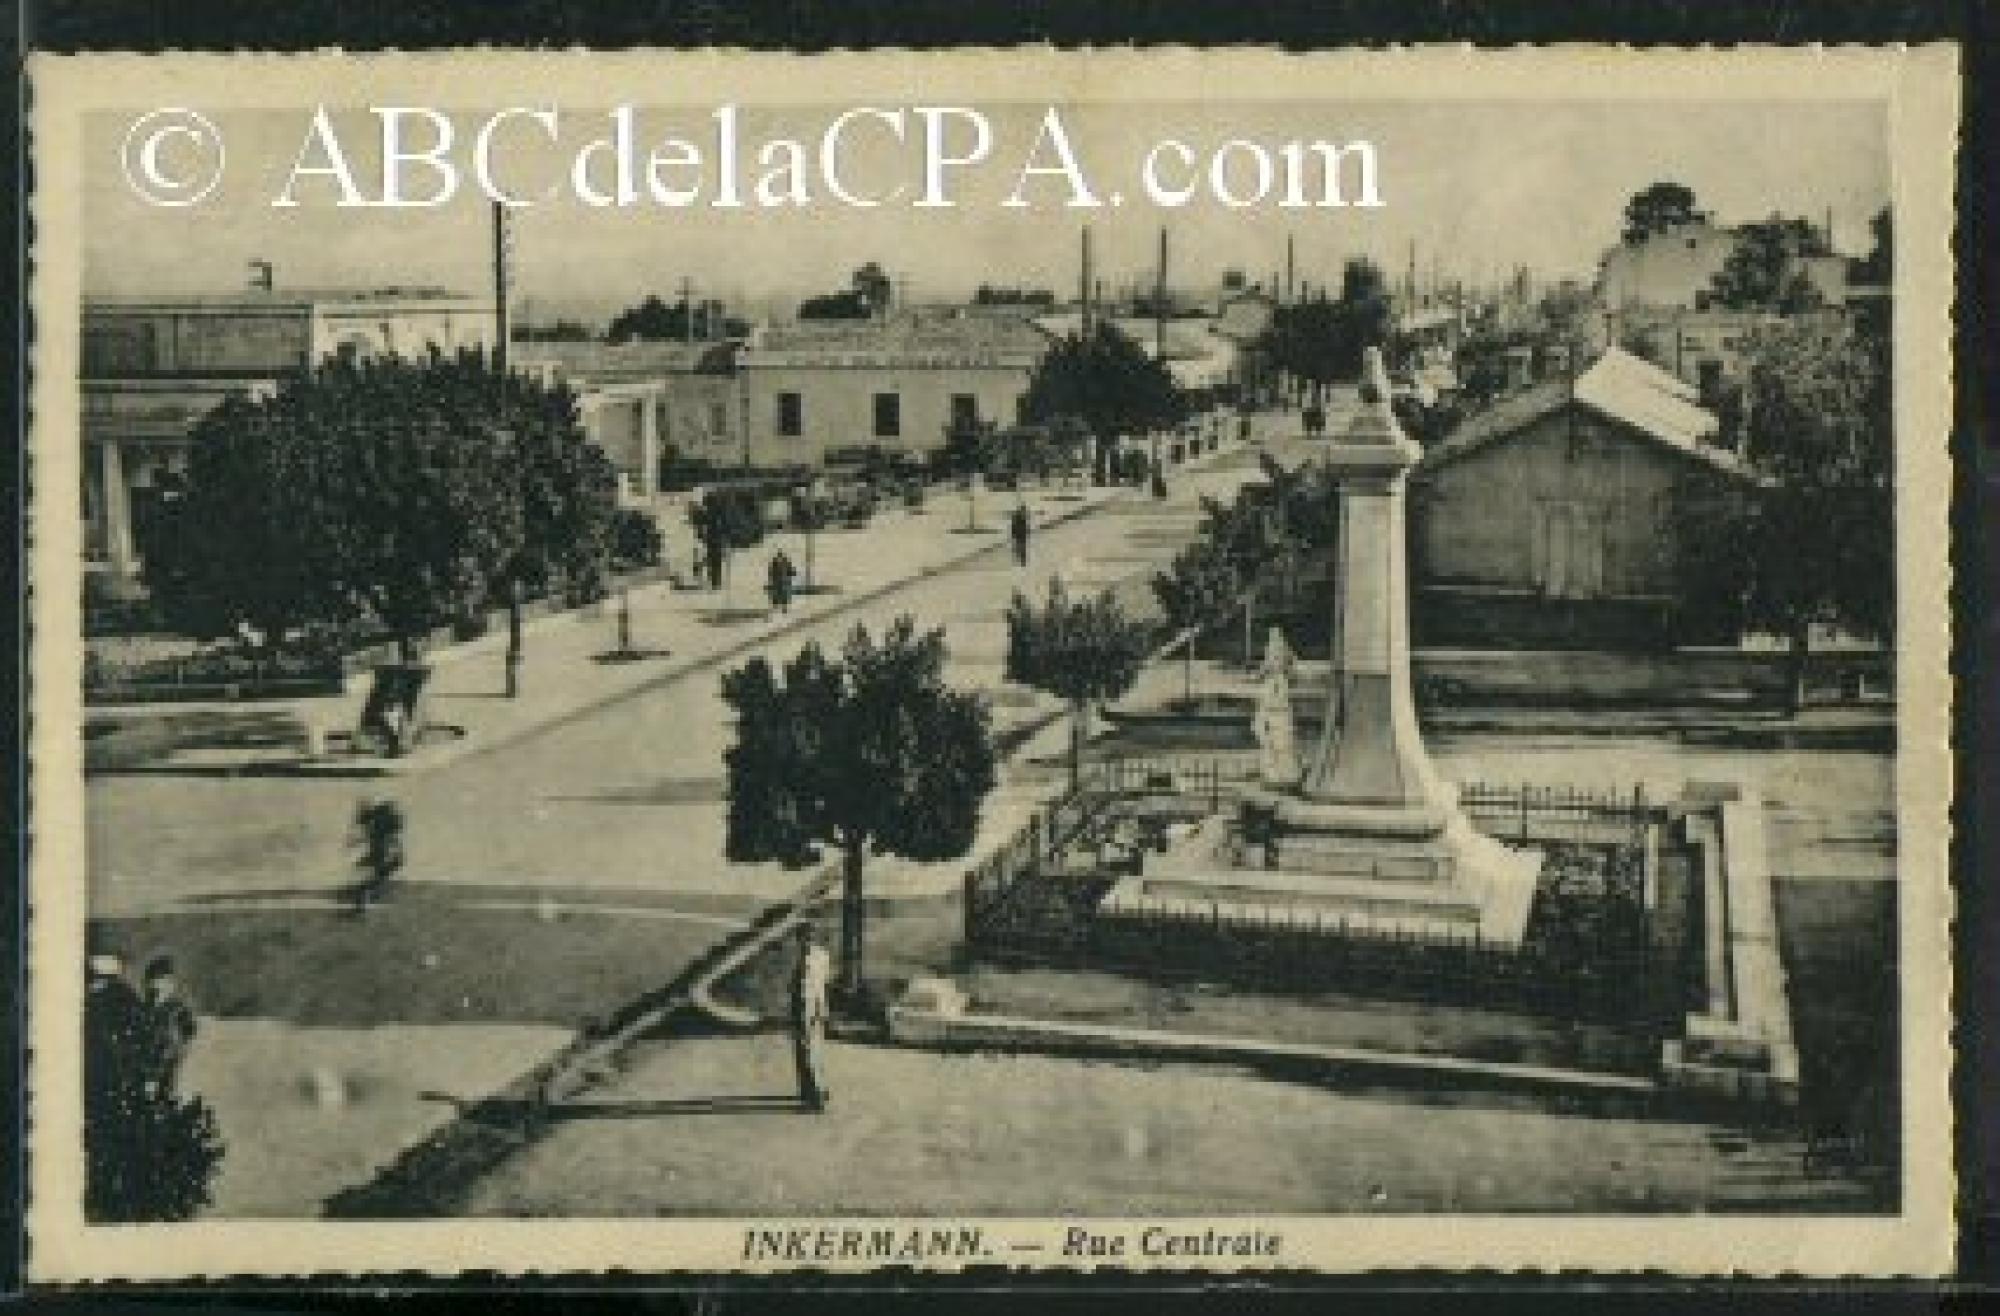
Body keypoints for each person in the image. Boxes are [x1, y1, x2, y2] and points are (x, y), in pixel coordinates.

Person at [789, 924, 833, 1112]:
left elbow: (810, 986)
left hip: (807, 1006)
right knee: (811, 1048)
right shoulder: (822, 956)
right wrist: (822, 1007)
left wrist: (817, 1008)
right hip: (811, 1005)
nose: (803, 942)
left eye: (805, 938)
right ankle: (813, 1089)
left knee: (807, 1049)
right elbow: (823, 984)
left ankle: (816, 1097)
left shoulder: (808, 959)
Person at [765, 548, 798, 615]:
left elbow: (791, 571)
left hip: (783, 581)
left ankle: (783, 607)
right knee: (777, 594)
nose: (779, 560)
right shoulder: (776, 564)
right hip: (778, 581)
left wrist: (791, 573)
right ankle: (776, 606)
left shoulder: (785, 563)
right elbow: (771, 572)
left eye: (780, 558)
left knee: (783, 595)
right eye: (778, 558)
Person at [1009, 503, 1031, 567]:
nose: (1024, 512)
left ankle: (1022, 559)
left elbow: (1026, 526)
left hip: (1022, 534)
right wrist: (1013, 533)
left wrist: (1027, 532)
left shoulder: (1023, 517)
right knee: (1019, 546)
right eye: (1023, 510)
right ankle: (1021, 558)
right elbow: (1014, 526)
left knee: (1022, 546)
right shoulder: (1017, 517)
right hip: (1019, 534)